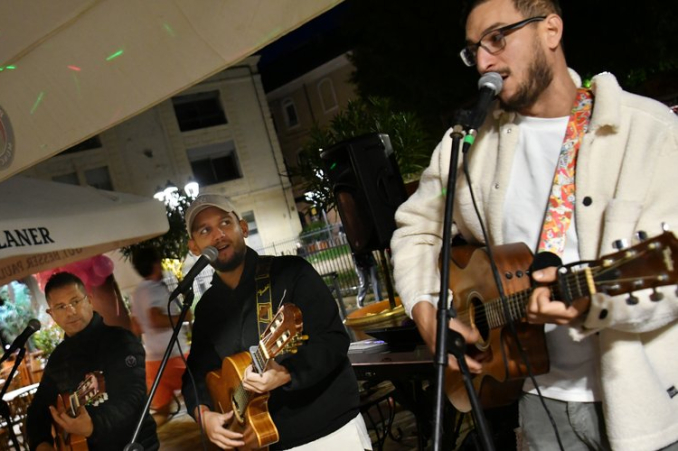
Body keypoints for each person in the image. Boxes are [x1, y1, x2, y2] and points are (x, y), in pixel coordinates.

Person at [390, 0, 678, 450]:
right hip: (535, 402)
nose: (484, 60)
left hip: (649, 403)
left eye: (497, 39)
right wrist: (426, 311)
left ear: (551, 30)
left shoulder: (647, 130)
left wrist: (592, 306)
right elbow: (416, 229)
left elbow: (670, 272)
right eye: (474, 51)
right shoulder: (466, 146)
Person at [181, 193, 371, 450]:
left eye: (225, 223)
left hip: (329, 430)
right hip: (264, 441)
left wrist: (288, 372)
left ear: (243, 227)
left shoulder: (291, 273)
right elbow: (196, 376)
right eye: (205, 230)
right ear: (195, 247)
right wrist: (204, 416)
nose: (218, 235)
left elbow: (333, 340)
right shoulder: (207, 309)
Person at [26, 272, 159, 451]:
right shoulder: (58, 358)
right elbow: (38, 410)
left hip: (134, 445)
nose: (71, 311)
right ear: (52, 314)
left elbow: (132, 398)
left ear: (89, 300)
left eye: (75, 302)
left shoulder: (121, 341)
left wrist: (93, 425)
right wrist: (42, 444)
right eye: (61, 306)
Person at [130, 246, 192, 427]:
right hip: (173, 356)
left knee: (162, 412)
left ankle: (138, 441)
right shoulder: (154, 290)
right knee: (203, 392)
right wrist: (184, 317)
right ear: (156, 264)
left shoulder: (138, 292)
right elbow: (155, 319)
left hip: (153, 360)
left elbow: (136, 326)